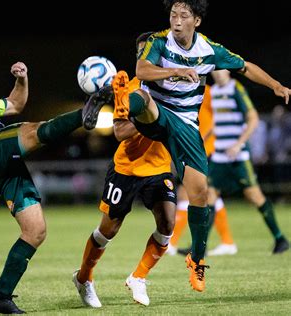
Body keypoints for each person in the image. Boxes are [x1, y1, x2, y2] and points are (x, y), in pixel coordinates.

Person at [111, 0, 291, 292]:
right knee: (143, 100)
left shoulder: (209, 51)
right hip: (160, 110)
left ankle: (196, 261)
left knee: (200, 193)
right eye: (173, 14)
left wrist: (275, 85)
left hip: (187, 125)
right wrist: (175, 72)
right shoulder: (157, 42)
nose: (176, 20)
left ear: (196, 21)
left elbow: (244, 67)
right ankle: (122, 102)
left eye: (183, 15)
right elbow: (142, 70)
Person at [0, 40, 108, 314]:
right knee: (32, 130)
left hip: (2, 165)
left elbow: (15, 104)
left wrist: (22, 79)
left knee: (35, 230)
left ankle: (0, 297)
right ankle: (85, 113)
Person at [72, 32, 176, 308]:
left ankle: (138, 277)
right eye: (143, 53)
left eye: (153, 52)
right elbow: (119, 131)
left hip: (159, 167)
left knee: (167, 225)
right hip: (127, 169)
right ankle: (83, 278)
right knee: (108, 230)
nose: (148, 57)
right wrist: (156, 118)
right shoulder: (128, 88)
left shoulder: (173, 87)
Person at [207, 70, 289, 254]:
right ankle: (199, 247)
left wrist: (239, 144)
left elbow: (253, 119)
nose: (217, 72)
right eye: (214, 69)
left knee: (254, 196)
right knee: (209, 196)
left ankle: (280, 238)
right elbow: (216, 122)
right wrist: (204, 138)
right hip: (219, 155)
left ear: (227, 70)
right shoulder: (213, 92)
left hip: (238, 156)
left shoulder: (235, 88)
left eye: (220, 68)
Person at [168, 85, 237, 256]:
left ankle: (171, 242)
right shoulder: (181, 90)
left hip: (207, 149)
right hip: (194, 149)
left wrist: (202, 137)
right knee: (210, 195)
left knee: (187, 192)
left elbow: (218, 117)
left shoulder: (206, 91)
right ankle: (227, 241)